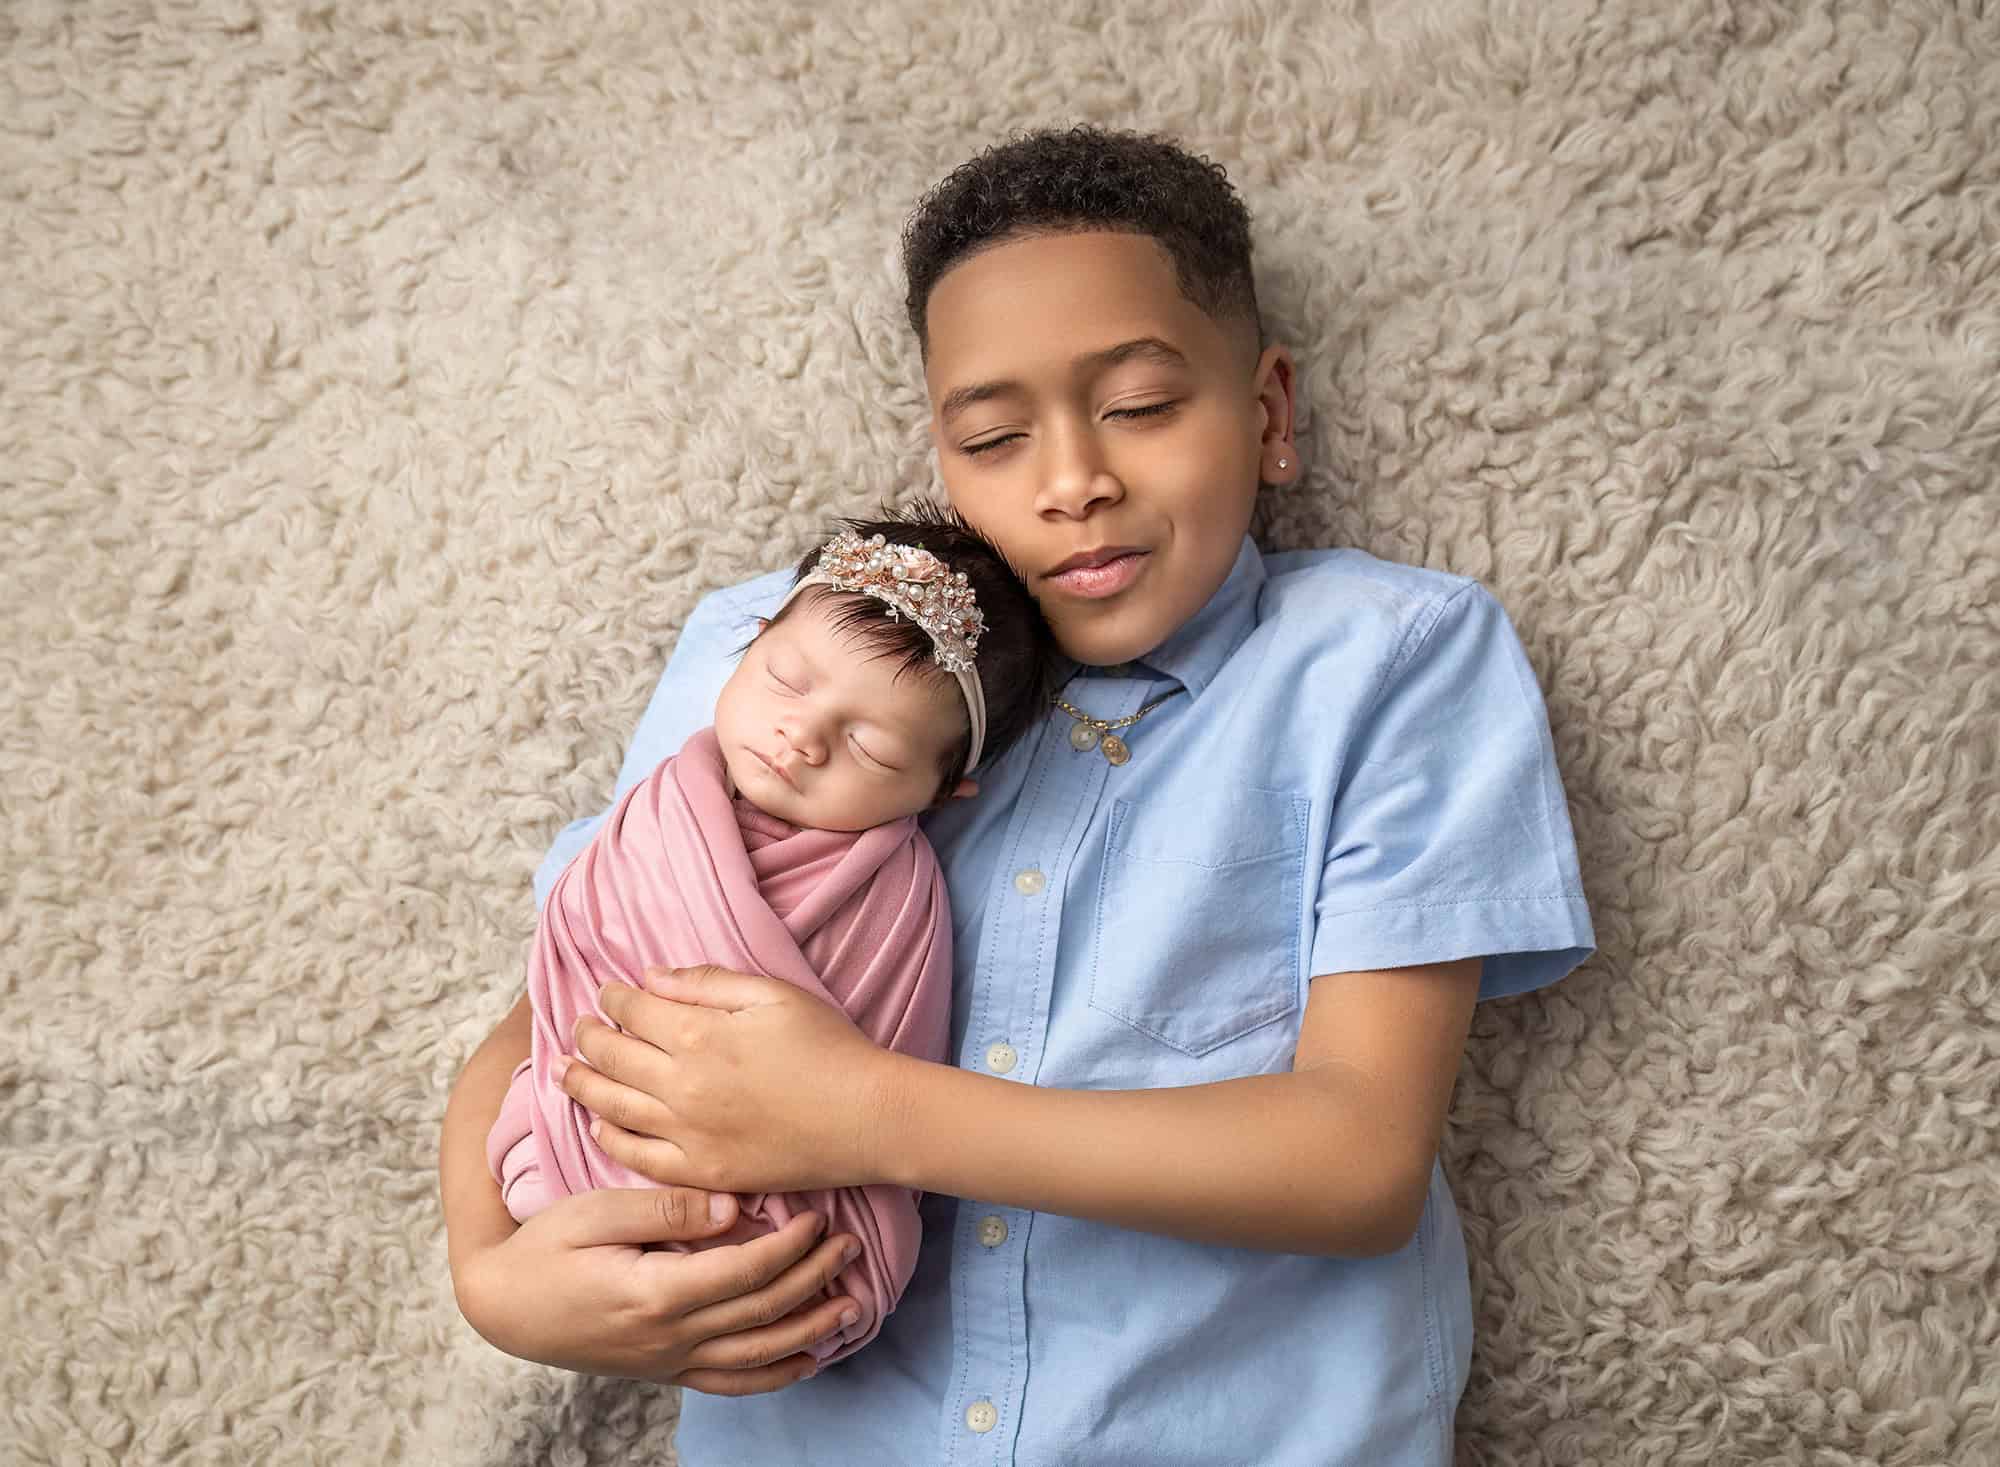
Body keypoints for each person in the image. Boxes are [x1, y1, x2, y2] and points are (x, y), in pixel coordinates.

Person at [440, 126, 1595, 1464]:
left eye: (1144, 407)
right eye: (992, 436)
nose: (1071, 483)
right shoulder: (782, 648)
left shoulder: (1390, 661)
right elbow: (562, 989)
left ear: (1268, 414)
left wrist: (860, 1108)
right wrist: (494, 1268)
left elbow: (1357, 1158)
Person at [483, 505, 1058, 1366]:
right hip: (586, 1129)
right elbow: (574, 949)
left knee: (781, 1262)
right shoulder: (664, 801)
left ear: (941, 795)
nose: (804, 737)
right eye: (787, 680)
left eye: (869, 744)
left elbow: (886, 1047)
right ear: (750, 643)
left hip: (780, 1206)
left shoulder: (896, 899)